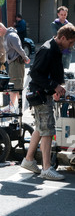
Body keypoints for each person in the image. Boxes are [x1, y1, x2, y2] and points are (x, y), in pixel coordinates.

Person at [21, 23, 75, 181]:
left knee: (41, 127)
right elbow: (36, 74)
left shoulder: (54, 48)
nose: (71, 46)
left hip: (43, 93)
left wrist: (55, 89)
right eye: (70, 42)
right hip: (41, 94)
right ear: (63, 38)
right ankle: (46, 168)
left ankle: (29, 160)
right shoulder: (48, 49)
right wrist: (54, 86)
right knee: (48, 130)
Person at [0, 22, 30, 110]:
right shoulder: (7, 36)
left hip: (16, 63)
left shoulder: (11, 36)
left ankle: (18, 107)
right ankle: (12, 106)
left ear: (1, 29)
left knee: (17, 85)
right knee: (14, 85)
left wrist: (26, 57)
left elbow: (19, 49)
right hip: (13, 63)